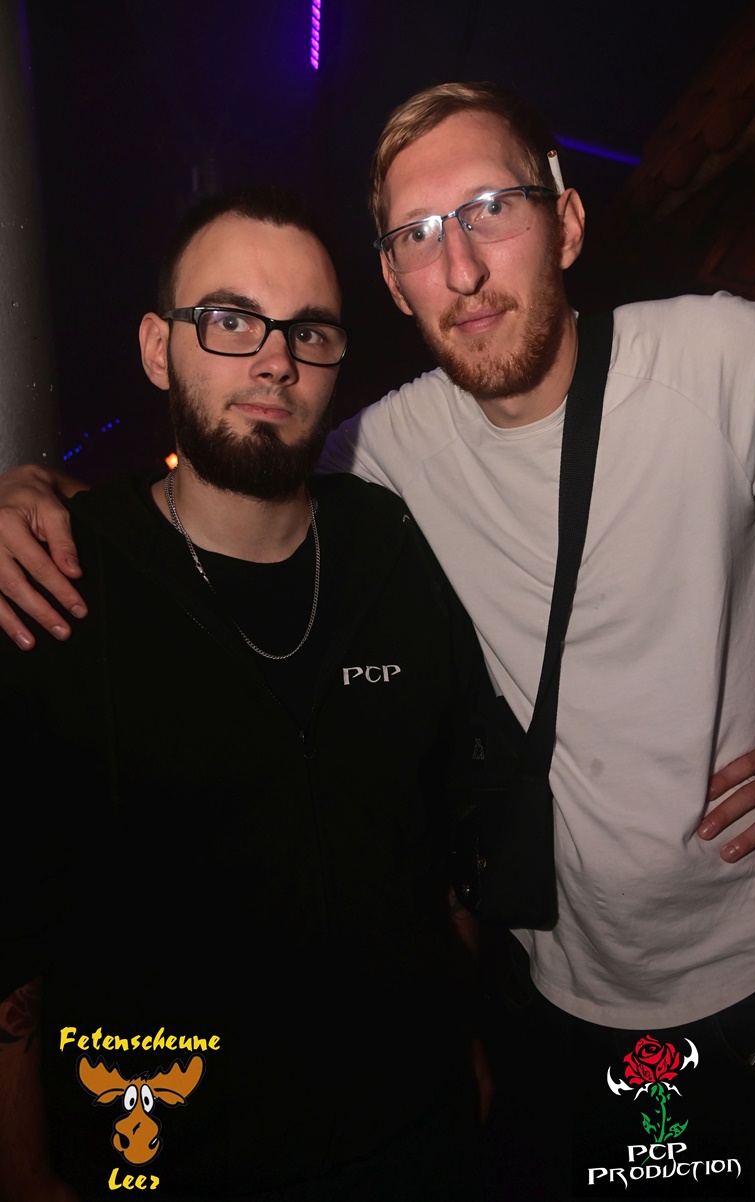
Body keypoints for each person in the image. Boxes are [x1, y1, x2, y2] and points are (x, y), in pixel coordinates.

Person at [1, 80, 755, 1196]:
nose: (460, 268)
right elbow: (232, 471)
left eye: (492, 209)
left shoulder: (721, 362)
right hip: (545, 988)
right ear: (391, 280)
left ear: (567, 224)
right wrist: (38, 495)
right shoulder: (388, 449)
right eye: (419, 234)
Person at [0, 185, 497, 1202]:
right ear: (158, 348)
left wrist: (470, 1045)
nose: (275, 359)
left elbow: (442, 841)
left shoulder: (394, 547)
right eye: (230, 320)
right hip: (162, 1156)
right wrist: (20, 1161)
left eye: (308, 331)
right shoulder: (57, 578)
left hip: (417, 1138)